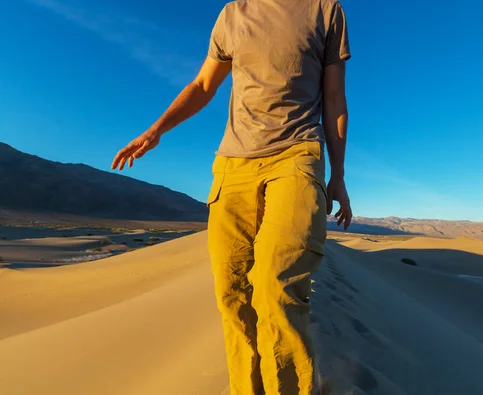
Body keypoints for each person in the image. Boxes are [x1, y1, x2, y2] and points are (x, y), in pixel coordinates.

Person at [111, 1, 352, 393]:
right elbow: (204, 85)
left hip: (296, 156)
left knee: (277, 287)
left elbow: (334, 99)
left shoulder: (325, 10)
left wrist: (338, 175)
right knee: (232, 295)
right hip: (232, 166)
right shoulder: (232, 14)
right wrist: (157, 130)